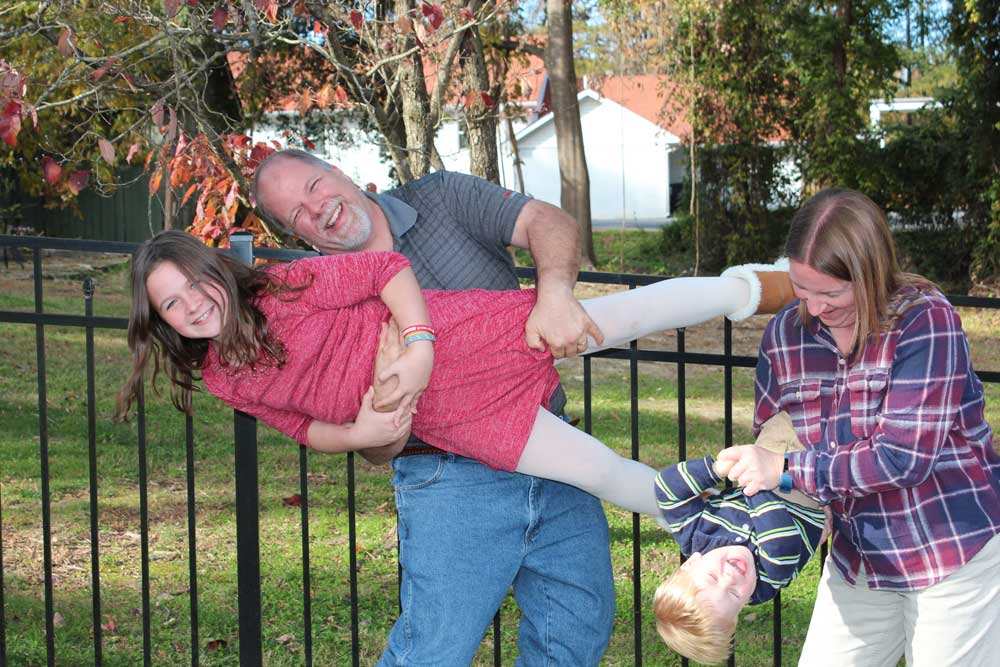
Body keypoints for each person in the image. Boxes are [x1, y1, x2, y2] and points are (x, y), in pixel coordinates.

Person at [117, 229, 765, 518]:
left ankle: (750, 288)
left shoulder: (281, 287)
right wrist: (361, 430)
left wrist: (420, 346)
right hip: (453, 416)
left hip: (461, 336)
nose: (193, 303)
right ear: (163, 320)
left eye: (192, 284)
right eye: (172, 303)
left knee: (621, 315)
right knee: (594, 470)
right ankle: (716, 514)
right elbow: (302, 427)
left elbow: (386, 269)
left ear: (212, 270)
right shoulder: (224, 380)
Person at [255, 151, 617, 666]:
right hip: (449, 482)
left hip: (557, 453)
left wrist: (554, 293)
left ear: (339, 171)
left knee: (575, 636)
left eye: (314, 185)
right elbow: (379, 451)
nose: (317, 208)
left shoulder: (442, 198)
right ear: (297, 236)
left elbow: (547, 220)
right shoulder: (320, 300)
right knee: (432, 654)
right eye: (297, 213)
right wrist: (384, 419)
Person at [716, 188, 1000, 667]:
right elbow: (778, 438)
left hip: (949, 552)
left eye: (832, 293)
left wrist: (786, 469)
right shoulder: (785, 337)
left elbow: (901, 458)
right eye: (804, 291)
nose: (816, 308)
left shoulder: (924, 321)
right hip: (859, 560)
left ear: (870, 274)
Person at [652, 412, 827, 665]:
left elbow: (666, 490)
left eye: (712, 578)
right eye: (734, 595)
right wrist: (752, 481)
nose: (730, 578)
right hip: (805, 485)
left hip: (772, 449)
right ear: (743, 607)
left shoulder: (696, 537)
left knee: (793, 410)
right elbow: (779, 538)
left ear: (691, 564)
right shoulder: (767, 579)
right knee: (839, 421)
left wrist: (715, 470)